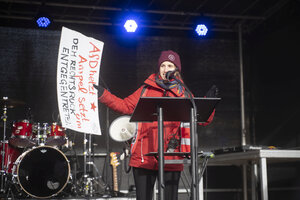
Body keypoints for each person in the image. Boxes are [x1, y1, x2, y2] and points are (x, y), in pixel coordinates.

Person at [95, 50, 216, 200]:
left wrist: (209, 105)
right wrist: (103, 95)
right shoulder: (146, 89)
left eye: (170, 65)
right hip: (144, 156)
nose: (166, 69)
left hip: (171, 157)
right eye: (163, 65)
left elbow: (201, 119)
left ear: (176, 70)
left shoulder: (183, 92)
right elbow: (124, 106)